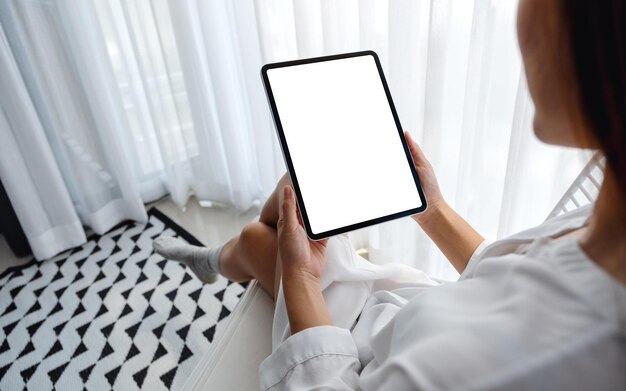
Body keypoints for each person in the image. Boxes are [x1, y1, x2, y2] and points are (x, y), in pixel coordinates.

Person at [154, 0, 626, 389]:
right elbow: (511, 276)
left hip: (365, 358)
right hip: (416, 313)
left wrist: (299, 277)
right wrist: (433, 210)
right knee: (297, 188)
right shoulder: (605, 222)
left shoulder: (555, 352)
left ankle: (213, 260)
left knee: (269, 233)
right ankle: (214, 259)